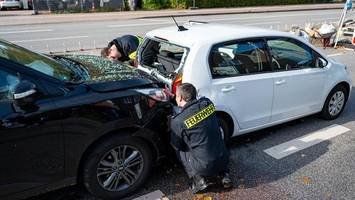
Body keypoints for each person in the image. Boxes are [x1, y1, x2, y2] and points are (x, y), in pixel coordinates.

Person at [170, 83, 232, 194]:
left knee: (181, 150)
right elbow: (201, 99)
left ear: (179, 97)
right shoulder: (207, 103)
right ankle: (224, 175)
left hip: (204, 167)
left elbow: (177, 145)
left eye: (176, 95)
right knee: (211, 138)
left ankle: (199, 180)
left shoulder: (178, 121)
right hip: (224, 158)